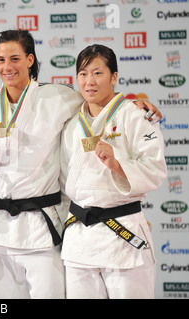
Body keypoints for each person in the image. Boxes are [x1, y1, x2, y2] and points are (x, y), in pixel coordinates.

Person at [0, 29, 163, 299]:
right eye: (1, 60)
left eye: (14, 58)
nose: (7, 66)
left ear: (30, 60)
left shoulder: (59, 97)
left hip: (52, 227)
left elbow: (102, 101)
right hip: (11, 230)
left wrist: (135, 104)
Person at [59, 44, 167, 299]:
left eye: (97, 73)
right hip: (79, 239)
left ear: (114, 76)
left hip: (122, 236)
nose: (89, 82)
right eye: (83, 74)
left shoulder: (135, 114)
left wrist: (118, 165)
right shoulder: (72, 123)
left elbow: (155, 168)